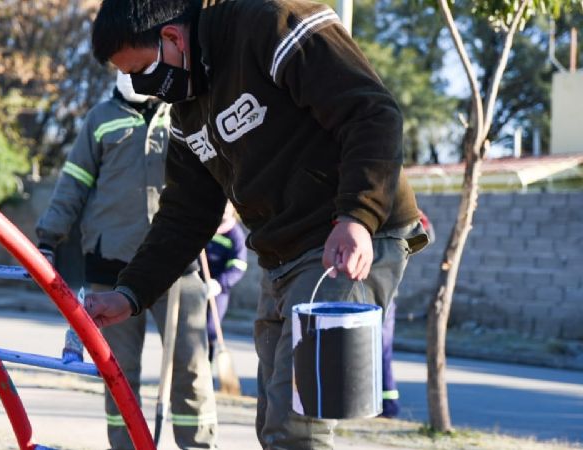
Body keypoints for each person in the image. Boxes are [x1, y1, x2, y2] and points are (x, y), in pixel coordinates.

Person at [84, 1, 430, 448]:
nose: (142, 88)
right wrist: (130, 292)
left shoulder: (270, 21)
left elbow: (371, 113)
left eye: (143, 72)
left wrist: (357, 215)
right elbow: (184, 214)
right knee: (272, 422)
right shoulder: (187, 108)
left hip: (344, 241)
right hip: (281, 255)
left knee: (297, 428)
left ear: (172, 37)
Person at [35, 71, 217, 450]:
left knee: (192, 369)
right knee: (118, 373)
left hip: (175, 265)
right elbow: (73, 182)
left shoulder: (184, 111)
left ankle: (199, 445)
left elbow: (216, 171)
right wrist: (48, 238)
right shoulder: (101, 118)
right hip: (111, 265)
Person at [380, 209, 435, 418]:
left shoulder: (395, 201)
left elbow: (427, 232)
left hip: (383, 287)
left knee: (379, 347)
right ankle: (381, 404)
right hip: (375, 284)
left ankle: (387, 405)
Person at [203, 201, 247, 361]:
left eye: (227, 208)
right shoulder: (206, 226)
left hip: (218, 289)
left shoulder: (235, 235)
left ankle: (207, 368)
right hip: (199, 285)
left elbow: (238, 266)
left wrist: (219, 283)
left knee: (210, 329)